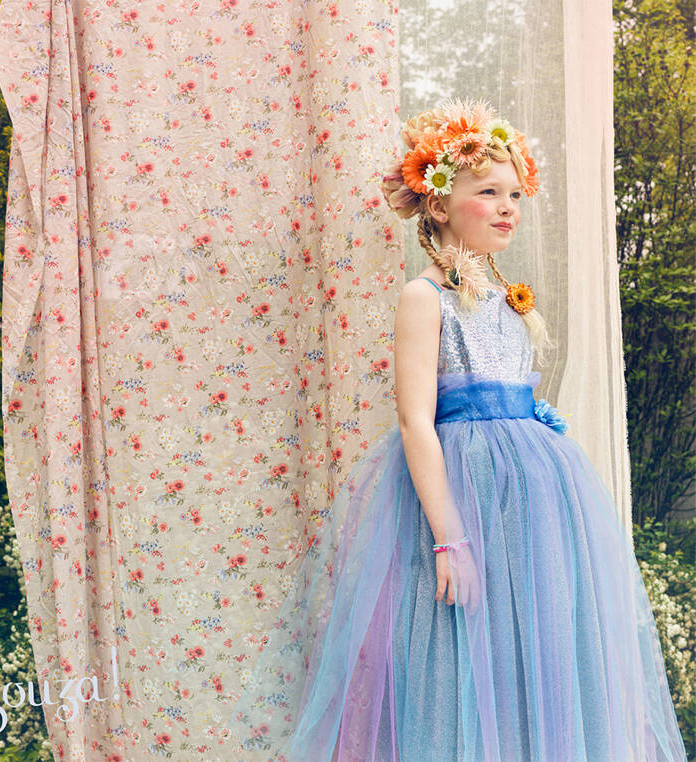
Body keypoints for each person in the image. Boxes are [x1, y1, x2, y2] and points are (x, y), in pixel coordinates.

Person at [228, 99, 687, 761]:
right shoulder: (425, 298)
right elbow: (416, 420)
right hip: (464, 496)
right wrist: (449, 540)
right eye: (488, 192)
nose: (508, 208)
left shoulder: (506, 299)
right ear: (440, 204)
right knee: (459, 651)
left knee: (533, 650)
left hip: (531, 503)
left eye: (514, 194)